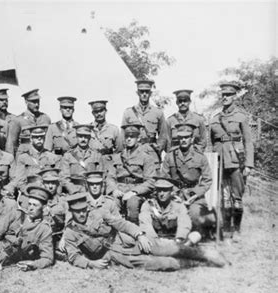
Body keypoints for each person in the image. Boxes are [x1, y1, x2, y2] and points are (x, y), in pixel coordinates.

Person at [62, 193, 226, 271]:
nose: (82, 214)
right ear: (71, 211)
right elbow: (74, 256)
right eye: (77, 212)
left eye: (83, 210)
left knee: (165, 248)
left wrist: (139, 235)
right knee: (161, 264)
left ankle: (205, 254)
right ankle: (198, 264)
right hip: (115, 256)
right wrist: (91, 263)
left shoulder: (99, 213)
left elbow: (123, 224)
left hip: (126, 240)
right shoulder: (70, 232)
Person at [210, 82, 254, 241]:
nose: (225, 97)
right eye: (223, 95)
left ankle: (237, 230)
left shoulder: (241, 116)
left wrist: (248, 164)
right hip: (220, 162)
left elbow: (248, 141)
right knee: (224, 197)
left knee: (237, 197)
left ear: (234, 96)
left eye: (228, 95)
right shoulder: (215, 118)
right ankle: (227, 229)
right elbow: (212, 142)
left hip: (236, 161)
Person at [161, 123, 214, 238]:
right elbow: (164, 179)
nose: (183, 140)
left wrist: (195, 195)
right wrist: (174, 194)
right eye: (181, 138)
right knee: (168, 216)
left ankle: (195, 238)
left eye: (186, 137)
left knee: (196, 215)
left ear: (192, 138)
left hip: (194, 196)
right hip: (175, 194)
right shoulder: (170, 156)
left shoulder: (200, 157)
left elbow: (207, 180)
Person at [0, 185, 54, 272]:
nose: (31, 208)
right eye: (29, 204)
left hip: (8, 259)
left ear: (43, 208)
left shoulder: (44, 229)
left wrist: (32, 265)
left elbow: (48, 258)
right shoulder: (16, 215)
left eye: (35, 205)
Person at [107, 122, 156, 225]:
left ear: (138, 138)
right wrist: (114, 189)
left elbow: (150, 181)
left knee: (133, 203)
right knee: (111, 204)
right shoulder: (117, 157)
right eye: (127, 137)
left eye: (132, 137)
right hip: (119, 190)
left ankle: (134, 233)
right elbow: (110, 177)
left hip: (137, 193)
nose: (129, 139)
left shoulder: (146, 157)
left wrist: (134, 192)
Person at [121, 79, 169, 165]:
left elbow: (163, 135)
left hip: (151, 153)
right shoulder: (128, 112)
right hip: (134, 153)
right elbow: (123, 135)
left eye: (147, 92)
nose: (144, 94)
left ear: (150, 93)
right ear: (137, 93)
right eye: (141, 91)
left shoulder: (158, 112)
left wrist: (158, 149)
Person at [139, 177, 196, 244]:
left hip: (174, 239)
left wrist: (179, 239)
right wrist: (154, 241)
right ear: (156, 192)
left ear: (171, 192)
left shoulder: (179, 206)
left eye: (165, 190)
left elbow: (185, 225)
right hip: (154, 240)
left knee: (195, 236)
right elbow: (145, 225)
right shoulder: (148, 205)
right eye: (159, 190)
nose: (162, 194)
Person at [59, 124, 109, 194]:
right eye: (80, 136)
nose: (83, 139)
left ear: (89, 137)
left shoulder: (97, 155)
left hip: (93, 191)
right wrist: (74, 191)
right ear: (76, 137)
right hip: (74, 192)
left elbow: (102, 177)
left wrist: (98, 193)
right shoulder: (68, 156)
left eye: (85, 137)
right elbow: (64, 178)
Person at [6, 89, 51, 156]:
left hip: (43, 156)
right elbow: (11, 145)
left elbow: (49, 141)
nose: (36, 104)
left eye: (38, 101)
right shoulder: (18, 120)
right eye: (33, 102)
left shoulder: (45, 118)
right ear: (26, 102)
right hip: (25, 157)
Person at [13, 125, 59, 192]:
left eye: (42, 137)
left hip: (49, 192)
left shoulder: (52, 157)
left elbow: (58, 180)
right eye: (36, 137)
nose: (39, 139)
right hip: (30, 193)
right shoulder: (23, 158)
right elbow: (20, 181)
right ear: (31, 139)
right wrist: (29, 193)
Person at [38, 167, 68, 257]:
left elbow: (70, 223)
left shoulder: (63, 201)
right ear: (43, 184)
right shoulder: (36, 202)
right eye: (47, 183)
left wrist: (64, 238)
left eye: (53, 183)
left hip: (58, 237)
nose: (50, 186)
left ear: (57, 184)